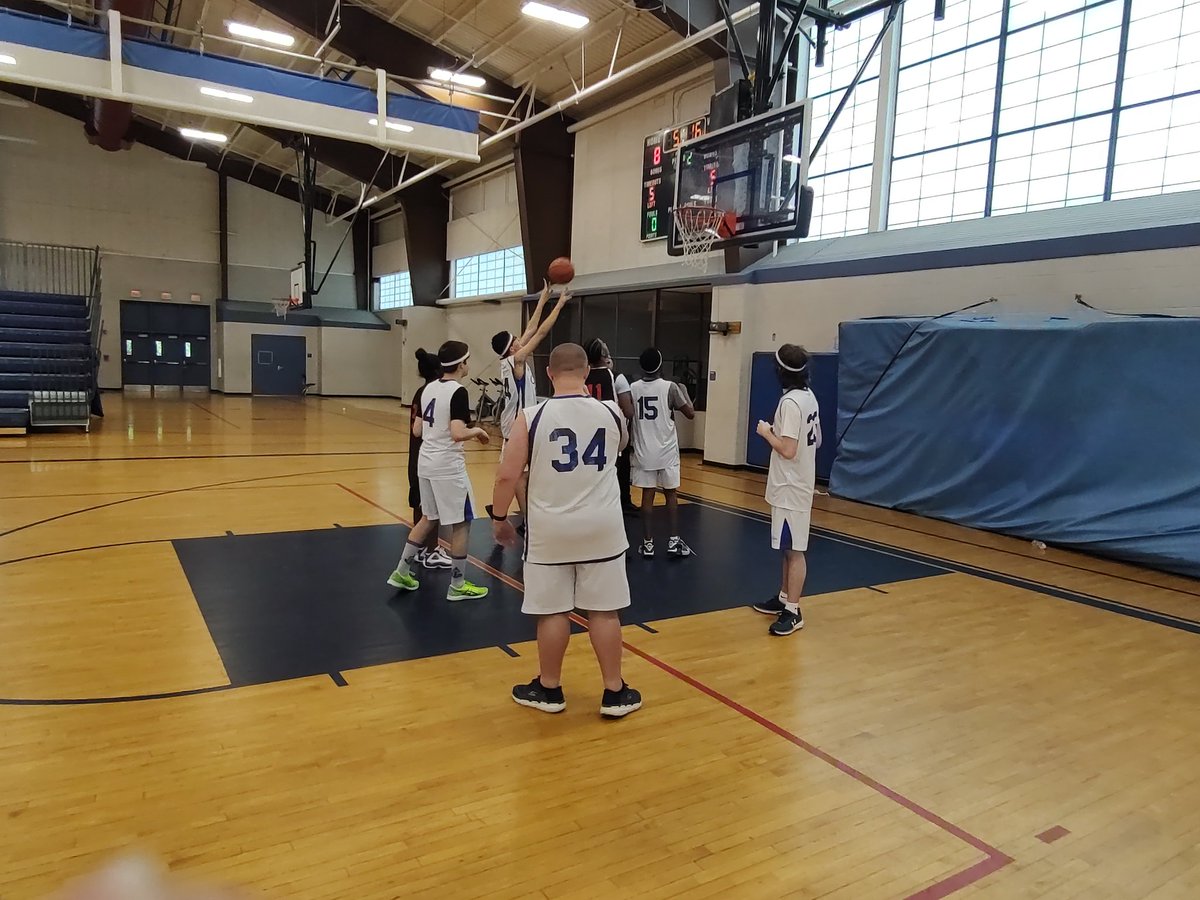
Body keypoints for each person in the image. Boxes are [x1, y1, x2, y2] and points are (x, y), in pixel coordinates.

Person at [490, 342, 642, 718]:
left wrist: (498, 517)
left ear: (549, 374)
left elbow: (508, 473)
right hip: (602, 528)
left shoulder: (532, 416)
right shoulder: (611, 413)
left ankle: (549, 688)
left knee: (553, 612)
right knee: (605, 613)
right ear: (588, 372)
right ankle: (614, 692)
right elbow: (619, 449)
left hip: (550, 530)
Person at [387, 340, 491, 601]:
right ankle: (457, 584)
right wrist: (477, 431)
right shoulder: (458, 392)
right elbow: (457, 433)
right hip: (448, 466)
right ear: (462, 364)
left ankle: (401, 571)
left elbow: (417, 430)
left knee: (428, 517)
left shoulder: (427, 389)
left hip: (426, 463)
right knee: (461, 523)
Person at [751, 343, 820, 636]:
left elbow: (789, 449)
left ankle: (793, 610)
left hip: (792, 486)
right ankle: (783, 598)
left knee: (794, 550)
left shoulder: (791, 403)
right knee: (786, 548)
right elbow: (817, 441)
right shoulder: (809, 397)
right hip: (793, 483)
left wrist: (767, 433)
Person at [491, 281, 572, 523]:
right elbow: (540, 333)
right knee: (519, 478)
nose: (520, 339)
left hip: (518, 426)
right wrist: (559, 304)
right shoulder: (516, 361)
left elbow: (531, 327)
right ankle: (525, 519)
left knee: (523, 476)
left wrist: (543, 298)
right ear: (512, 348)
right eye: (516, 340)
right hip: (515, 429)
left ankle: (520, 515)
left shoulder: (511, 358)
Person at [628, 347, 695, 559]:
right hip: (666, 450)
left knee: (647, 496)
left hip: (642, 450)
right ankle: (674, 541)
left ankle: (648, 544)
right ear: (660, 364)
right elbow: (690, 413)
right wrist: (684, 391)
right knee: (670, 494)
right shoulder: (671, 387)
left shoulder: (632, 388)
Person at [407, 348, 452, 570]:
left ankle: (421, 548)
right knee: (431, 506)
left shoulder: (420, 392)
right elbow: (421, 429)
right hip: (430, 454)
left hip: (415, 454)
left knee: (419, 501)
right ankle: (432, 550)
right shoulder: (434, 393)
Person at [585, 337, 638, 514]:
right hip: (610, 431)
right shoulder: (616, 377)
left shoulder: (582, 376)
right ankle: (622, 503)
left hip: (587, 431)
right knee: (617, 470)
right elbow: (628, 411)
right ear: (602, 354)